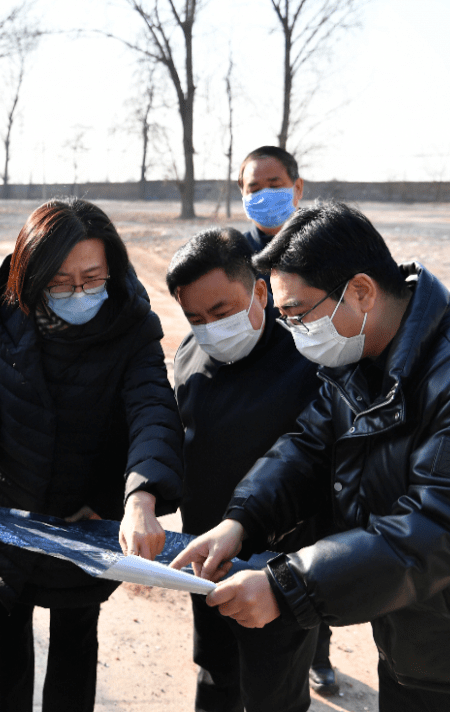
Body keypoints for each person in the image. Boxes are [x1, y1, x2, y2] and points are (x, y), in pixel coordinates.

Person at [173, 201, 450, 711]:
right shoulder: (361, 347)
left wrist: (287, 587)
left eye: (299, 314)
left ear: (362, 291)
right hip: (416, 632)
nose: (295, 331)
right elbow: (307, 445)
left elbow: (442, 527)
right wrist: (240, 521)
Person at [0, 197, 183, 712]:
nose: (78, 292)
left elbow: (152, 408)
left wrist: (138, 497)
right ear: (31, 276)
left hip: (87, 516)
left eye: (92, 277)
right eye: (59, 281)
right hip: (13, 514)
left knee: (75, 646)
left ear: (112, 269)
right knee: (7, 644)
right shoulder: (6, 308)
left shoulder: (129, 323)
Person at [167, 227, 322, 712]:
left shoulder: (309, 357)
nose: (210, 327)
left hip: (281, 571)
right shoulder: (189, 358)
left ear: (260, 289)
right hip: (206, 565)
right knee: (215, 677)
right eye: (195, 317)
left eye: (221, 312)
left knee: (275, 694)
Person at [238, 144, 338, 693]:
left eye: (273, 183)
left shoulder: (327, 249)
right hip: (265, 425)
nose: (262, 195)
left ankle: (318, 651)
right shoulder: (234, 259)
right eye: (251, 187)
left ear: (297, 188)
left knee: (321, 538)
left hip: (323, 416)